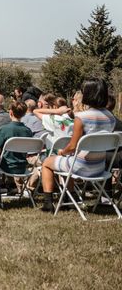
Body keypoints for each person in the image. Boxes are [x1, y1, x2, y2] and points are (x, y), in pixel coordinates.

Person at [40, 78, 117, 211]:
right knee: (68, 162)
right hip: (100, 167)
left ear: (88, 94)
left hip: (81, 166)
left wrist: (61, 152)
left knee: (47, 162)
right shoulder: (110, 117)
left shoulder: (82, 117)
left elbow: (72, 147)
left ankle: (48, 203)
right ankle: (68, 199)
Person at [0, 101, 33, 188]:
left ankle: (2, 185)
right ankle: (11, 186)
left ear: (10, 112)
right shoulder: (28, 130)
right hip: (22, 166)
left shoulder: (4, 129)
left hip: (6, 166)